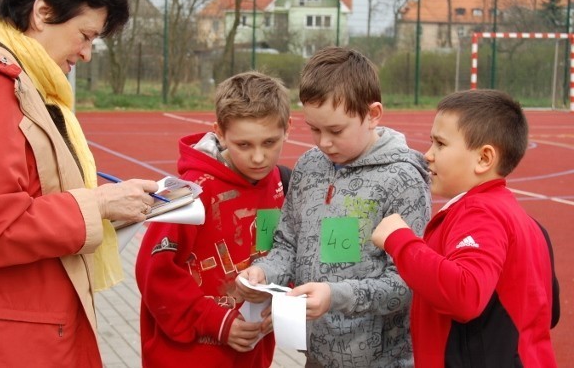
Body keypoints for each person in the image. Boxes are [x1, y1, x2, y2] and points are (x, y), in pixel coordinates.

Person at [0, 0, 160, 367]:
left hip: (16, 327)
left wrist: (112, 208)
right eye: (86, 35)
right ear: (42, 12)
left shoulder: (19, 82)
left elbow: (28, 195)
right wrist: (99, 204)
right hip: (2, 340)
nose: (87, 53)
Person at [236, 47, 431, 367]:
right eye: (314, 129)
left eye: (336, 131)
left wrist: (335, 296)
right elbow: (287, 244)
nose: (323, 143)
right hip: (316, 356)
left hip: (382, 361)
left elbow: (408, 284)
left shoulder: (403, 181)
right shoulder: (309, 166)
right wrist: (263, 272)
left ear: (373, 115)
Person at [371, 89, 558, 367]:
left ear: (484, 159)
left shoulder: (479, 212)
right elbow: (549, 311)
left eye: (440, 144)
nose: (428, 155)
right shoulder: (529, 224)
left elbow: (465, 294)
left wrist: (400, 240)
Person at [135, 71, 292, 367]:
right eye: (244, 145)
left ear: (288, 129)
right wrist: (216, 321)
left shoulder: (283, 185)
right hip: (187, 356)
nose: (259, 157)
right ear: (219, 132)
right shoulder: (192, 191)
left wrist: (281, 306)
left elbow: (283, 254)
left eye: (269, 142)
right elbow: (153, 272)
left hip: (249, 352)